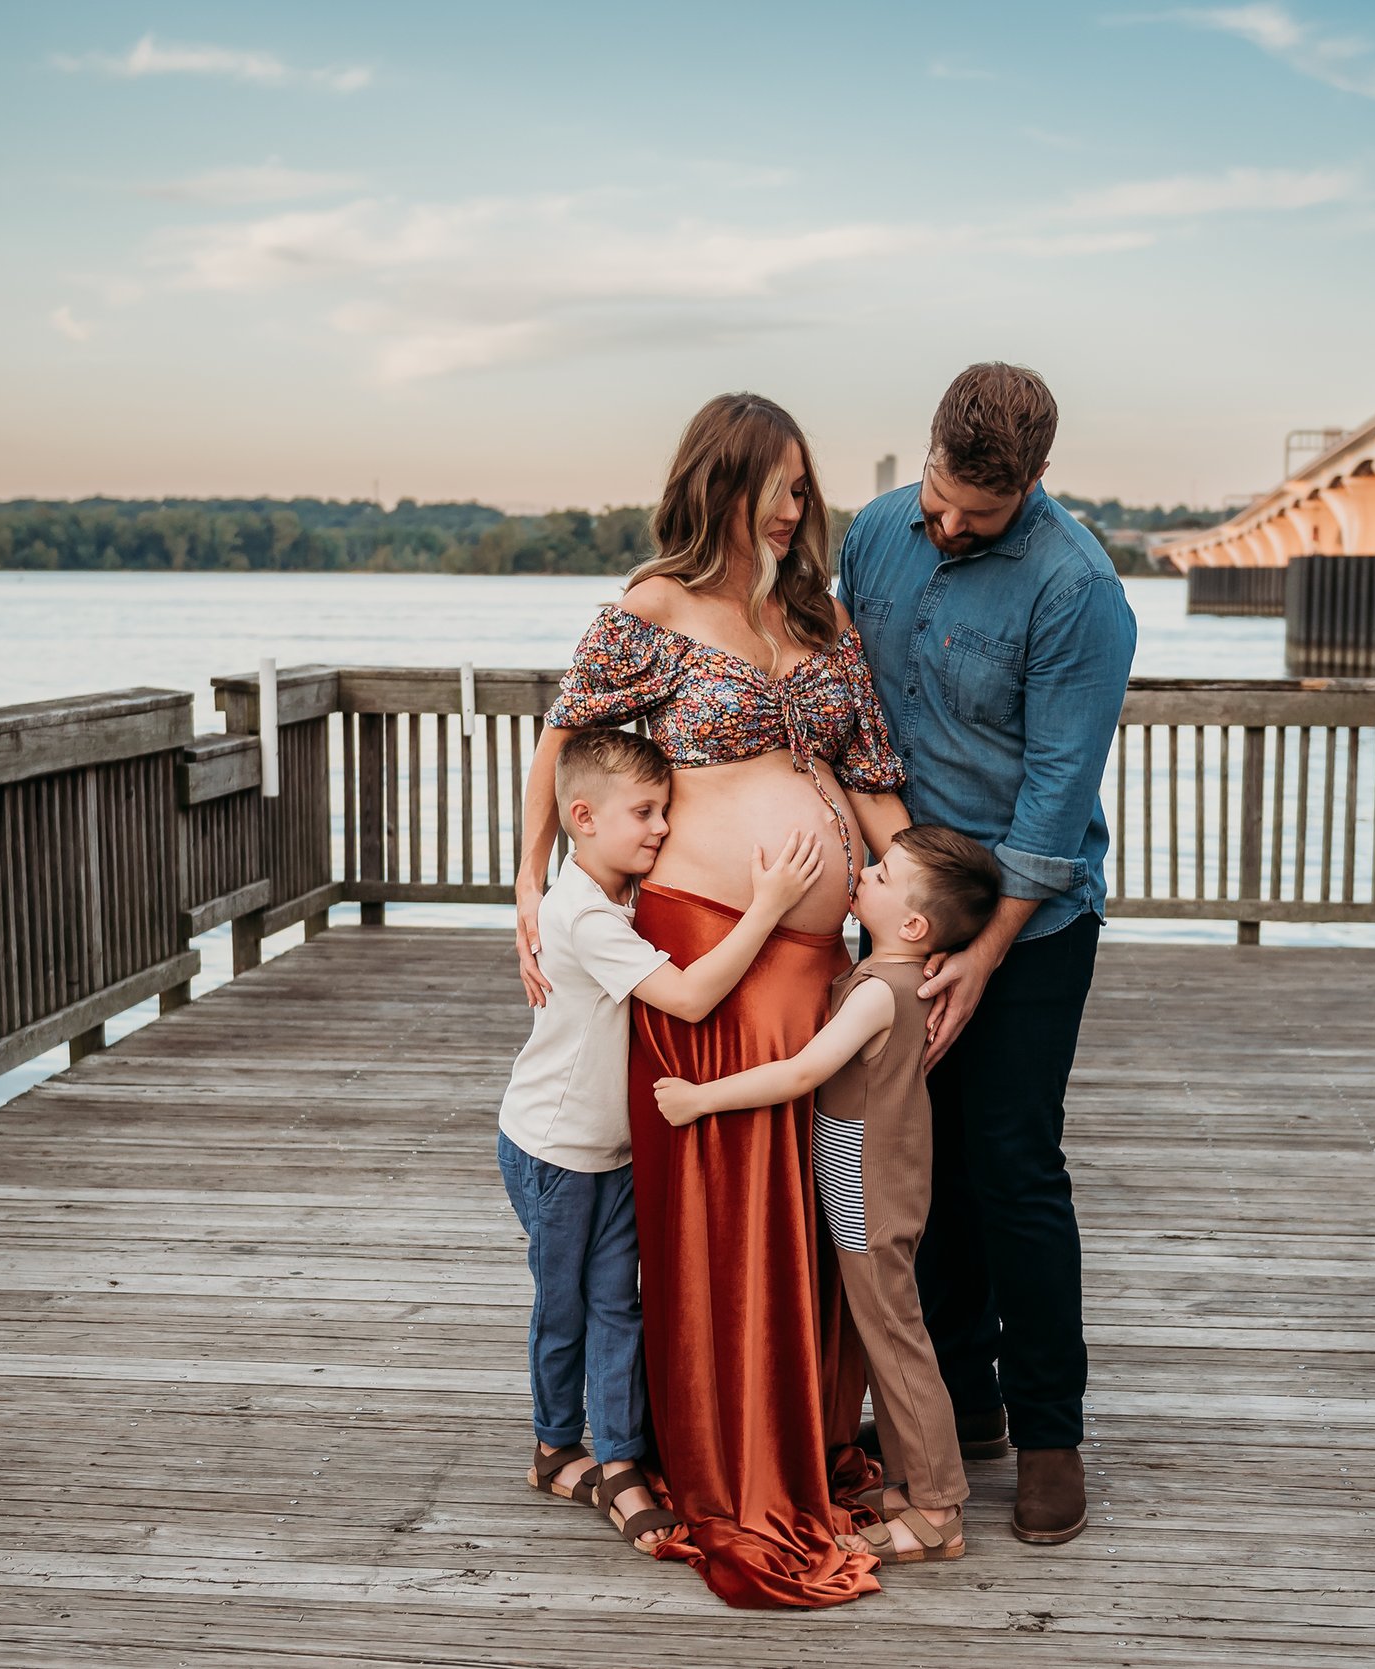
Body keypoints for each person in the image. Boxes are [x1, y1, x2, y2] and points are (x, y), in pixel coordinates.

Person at [513, 393, 913, 1609]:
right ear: (722, 485)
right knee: (731, 1224)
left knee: (816, 1213)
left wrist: (929, 911)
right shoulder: (654, 608)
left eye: (805, 483)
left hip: (820, 974)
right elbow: (562, 741)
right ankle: (729, 1454)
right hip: (709, 965)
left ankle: (810, 1440)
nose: (799, 505)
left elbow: (870, 777)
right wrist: (525, 885)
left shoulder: (822, 616)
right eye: (778, 485)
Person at [834, 362, 1137, 1546]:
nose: (946, 525)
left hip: (1034, 922)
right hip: (902, 909)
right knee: (918, 1167)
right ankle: (963, 1410)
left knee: (1010, 1168)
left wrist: (988, 949)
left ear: (1037, 482)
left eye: (978, 514)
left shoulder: (1079, 591)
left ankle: (1049, 1430)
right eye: (941, 498)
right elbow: (854, 710)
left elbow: (1058, 800)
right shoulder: (873, 533)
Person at [499, 728, 826, 1555]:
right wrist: (768, 906)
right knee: (568, 1303)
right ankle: (551, 1447)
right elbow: (685, 999)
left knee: (620, 1302)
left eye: (666, 811)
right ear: (582, 817)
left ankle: (618, 1461)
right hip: (555, 1147)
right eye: (644, 813)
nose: (661, 829)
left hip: (608, 1148)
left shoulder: (617, 900)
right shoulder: (584, 913)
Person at [654, 826, 1002, 1568]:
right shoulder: (887, 973)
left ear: (913, 925)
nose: (866, 873)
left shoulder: (882, 992)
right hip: (863, 1189)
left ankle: (940, 1509)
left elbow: (799, 1073)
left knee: (900, 1345)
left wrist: (698, 1098)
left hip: (872, 1197)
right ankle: (912, 1486)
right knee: (885, 1339)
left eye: (882, 873)